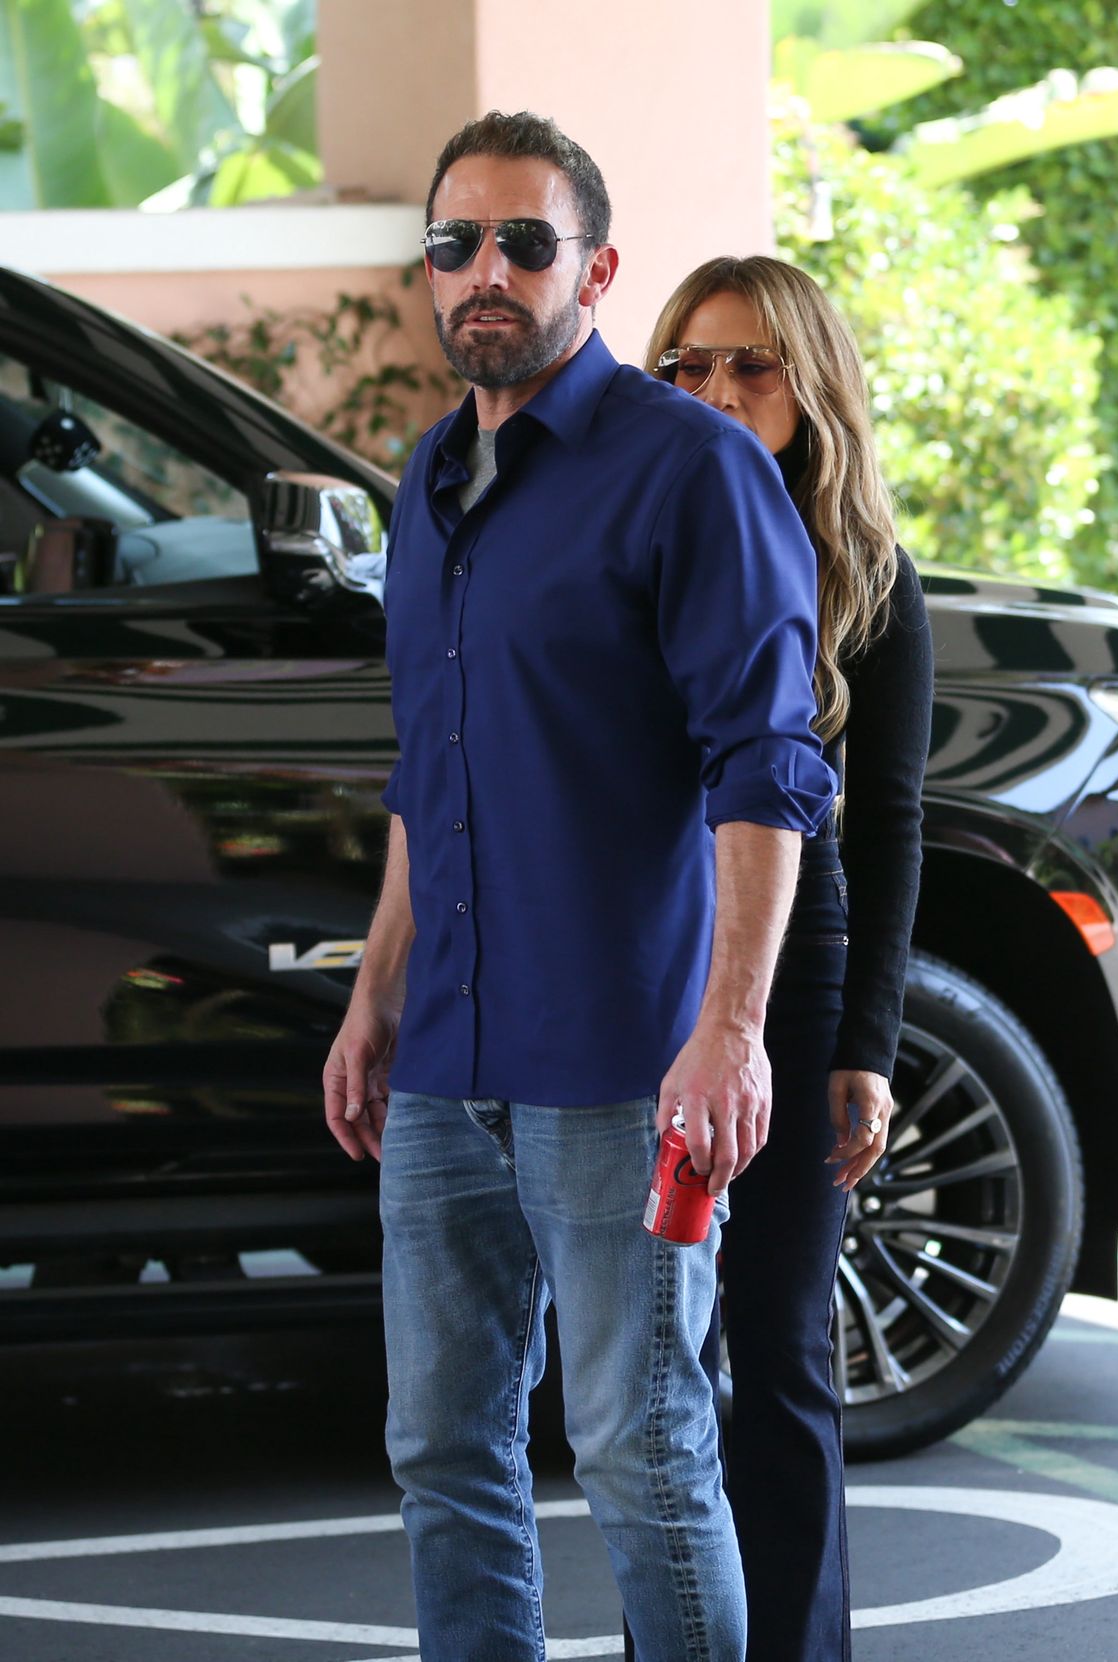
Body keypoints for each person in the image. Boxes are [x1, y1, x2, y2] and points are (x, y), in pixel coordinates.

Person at [322, 117, 837, 1662]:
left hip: (624, 1069)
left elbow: (770, 766)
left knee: (643, 1452)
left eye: (524, 243)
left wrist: (731, 1030)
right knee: (443, 1451)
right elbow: (437, 769)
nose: (486, 272)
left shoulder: (693, 471)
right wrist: (375, 997)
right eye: (455, 243)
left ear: (596, 269)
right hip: (449, 1066)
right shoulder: (426, 480)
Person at [642, 256, 934, 1660]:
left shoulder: (869, 576)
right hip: (637, 972)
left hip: (797, 982)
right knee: (653, 1369)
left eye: (752, 366)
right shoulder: (628, 537)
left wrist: (865, 1047)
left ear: (811, 393)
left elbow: (888, 825)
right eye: (688, 366)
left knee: (777, 1358)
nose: (715, 391)